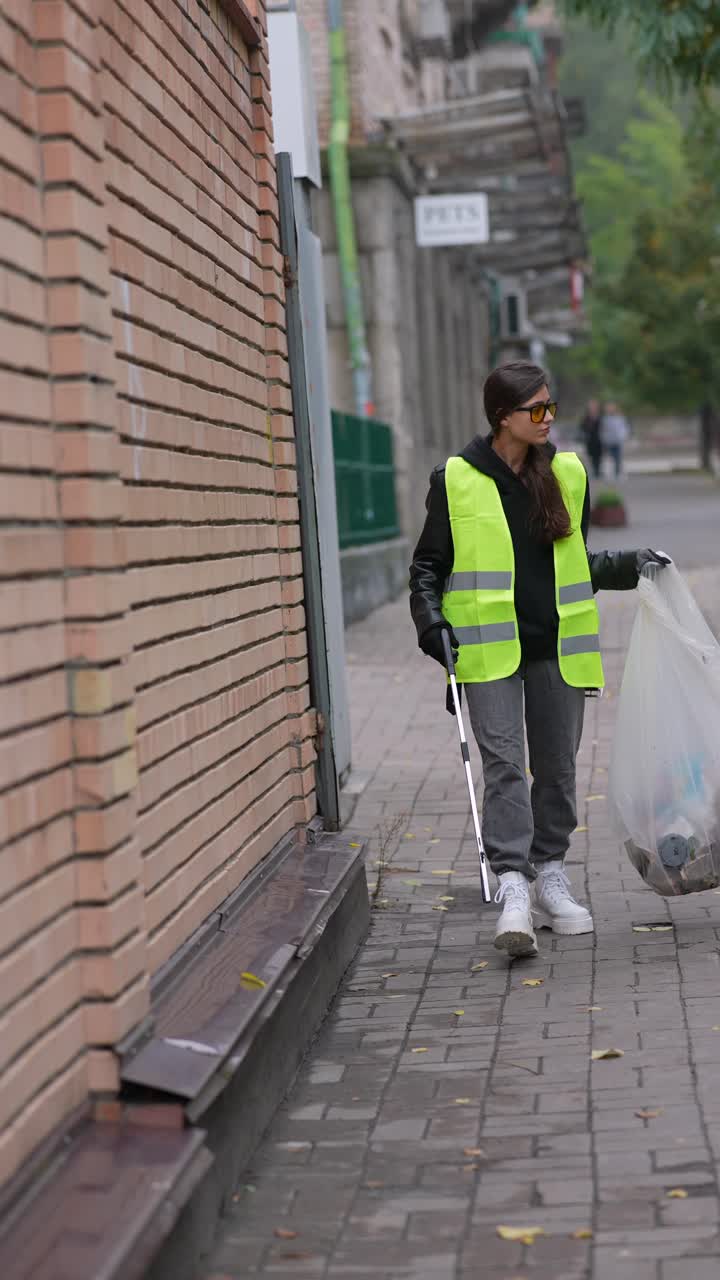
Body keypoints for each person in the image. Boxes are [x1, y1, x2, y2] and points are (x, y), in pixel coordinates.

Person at [409, 361, 670, 958]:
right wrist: (433, 627)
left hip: (558, 646)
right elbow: (427, 567)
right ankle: (513, 887)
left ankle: (551, 873)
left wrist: (634, 563)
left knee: (555, 769)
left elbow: (577, 561)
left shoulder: (568, 473)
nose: (549, 418)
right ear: (504, 417)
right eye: (538, 410)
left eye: (552, 407)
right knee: (504, 766)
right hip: (487, 649)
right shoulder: (455, 479)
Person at [599, 402, 629, 477]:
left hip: (617, 442)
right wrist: (604, 439)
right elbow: (602, 430)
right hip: (608, 442)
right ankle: (608, 474)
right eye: (609, 408)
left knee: (618, 459)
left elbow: (624, 429)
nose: (610, 410)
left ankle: (617, 473)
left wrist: (622, 437)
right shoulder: (604, 419)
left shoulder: (620, 418)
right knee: (608, 459)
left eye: (611, 408)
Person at [578, 398, 603, 478]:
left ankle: (598, 472)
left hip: (599, 440)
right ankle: (594, 472)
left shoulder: (600, 417)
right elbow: (582, 427)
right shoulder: (586, 417)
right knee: (591, 457)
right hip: (590, 441)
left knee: (598, 457)